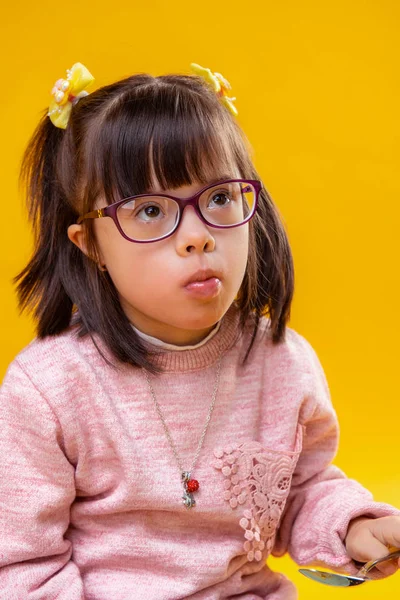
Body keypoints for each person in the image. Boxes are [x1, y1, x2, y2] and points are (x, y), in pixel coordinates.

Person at [0, 61, 399, 600]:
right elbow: (24, 566)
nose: (197, 236)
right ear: (90, 245)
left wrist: (352, 526)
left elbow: (300, 492)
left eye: (217, 199)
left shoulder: (282, 361)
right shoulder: (49, 388)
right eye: (148, 210)